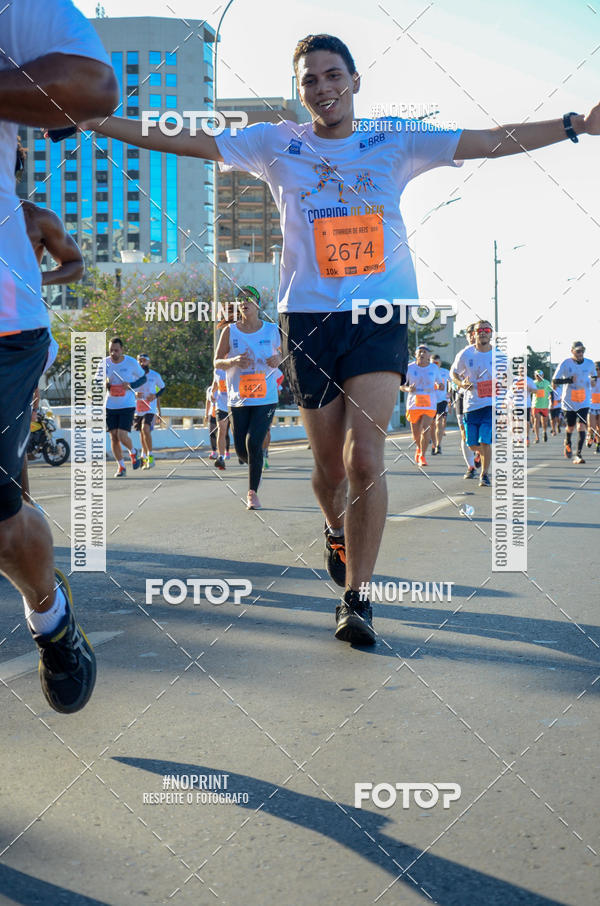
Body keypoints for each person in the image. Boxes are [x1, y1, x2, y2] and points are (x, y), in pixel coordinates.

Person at [84, 32, 600, 645]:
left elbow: (491, 141)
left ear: (355, 81)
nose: (323, 88)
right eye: (310, 81)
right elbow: (180, 139)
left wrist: (576, 124)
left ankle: (358, 598)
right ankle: (334, 530)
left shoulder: (395, 139)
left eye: (334, 76)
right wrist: (96, 121)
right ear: (300, 92)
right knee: (327, 470)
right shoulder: (275, 143)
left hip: (380, 314)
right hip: (307, 318)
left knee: (364, 457)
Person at [0, 0, 118, 713]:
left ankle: (52, 621)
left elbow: (92, 86)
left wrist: (43, 278)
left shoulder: (32, 215)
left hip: (7, 322)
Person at [15, 139, 84, 503]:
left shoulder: (36, 218)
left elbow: (75, 264)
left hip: (24, 334)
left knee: (12, 424)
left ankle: (23, 508)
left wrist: (36, 277)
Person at [214, 286, 281, 508]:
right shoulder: (230, 332)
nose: (244, 302)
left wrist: (278, 358)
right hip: (238, 398)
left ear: (258, 304)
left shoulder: (272, 330)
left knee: (253, 441)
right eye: (240, 299)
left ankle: (252, 493)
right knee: (243, 450)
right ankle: (254, 459)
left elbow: (288, 352)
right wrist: (231, 362)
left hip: (266, 397)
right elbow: (216, 361)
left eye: (249, 298)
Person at [451, 320, 494, 487]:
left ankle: (484, 474)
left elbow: (507, 379)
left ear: (491, 333)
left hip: (490, 404)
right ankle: (482, 455)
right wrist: (462, 384)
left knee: (485, 440)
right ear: (474, 334)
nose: (483, 332)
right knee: (471, 444)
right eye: (479, 330)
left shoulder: (498, 355)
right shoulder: (465, 354)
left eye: (486, 329)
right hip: (471, 405)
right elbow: (453, 374)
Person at [102, 337, 146, 477]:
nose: (113, 353)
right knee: (113, 437)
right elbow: (97, 379)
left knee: (121, 435)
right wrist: (104, 384)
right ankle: (121, 467)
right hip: (110, 405)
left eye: (116, 350)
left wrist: (131, 385)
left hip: (127, 404)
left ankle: (133, 452)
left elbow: (143, 378)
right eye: (111, 351)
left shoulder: (131, 362)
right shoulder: (105, 363)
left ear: (122, 350)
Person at [552, 341, 596, 465]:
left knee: (581, 426)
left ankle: (578, 455)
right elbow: (555, 380)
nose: (580, 353)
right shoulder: (565, 363)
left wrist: (593, 381)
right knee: (570, 427)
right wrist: (569, 380)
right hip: (569, 402)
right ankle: (567, 441)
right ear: (572, 351)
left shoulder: (590, 363)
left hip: (584, 401)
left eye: (582, 351)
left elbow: (594, 375)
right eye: (578, 351)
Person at [400, 346, 442, 467]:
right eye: (420, 352)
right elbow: (401, 386)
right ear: (416, 354)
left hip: (429, 403)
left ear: (429, 355)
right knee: (416, 433)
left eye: (425, 352)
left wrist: (439, 386)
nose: (422, 354)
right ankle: (419, 448)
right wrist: (409, 389)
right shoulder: (409, 367)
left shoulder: (434, 368)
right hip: (413, 403)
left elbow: (440, 384)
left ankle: (422, 455)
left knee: (426, 428)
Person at [133, 353, 165, 469]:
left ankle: (150, 456)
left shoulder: (155, 375)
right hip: (138, 408)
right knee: (142, 433)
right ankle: (144, 455)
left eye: (144, 361)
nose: (142, 363)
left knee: (145, 428)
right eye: (140, 361)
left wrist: (155, 396)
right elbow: (128, 389)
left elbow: (163, 387)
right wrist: (135, 394)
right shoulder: (133, 376)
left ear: (148, 362)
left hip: (150, 408)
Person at [430, 353, 451, 455]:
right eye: (433, 363)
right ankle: (434, 444)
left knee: (439, 422)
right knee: (432, 425)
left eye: (436, 363)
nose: (435, 364)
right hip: (430, 400)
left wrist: (450, 392)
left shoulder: (445, 372)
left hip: (442, 400)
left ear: (440, 363)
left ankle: (438, 445)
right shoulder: (428, 371)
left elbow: (453, 381)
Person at [531, 369, 553, 443]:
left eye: (540, 375)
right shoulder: (533, 383)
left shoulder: (547, 383)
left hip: (544, 405)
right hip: (535, 405)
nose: (539, 377)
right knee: (536, 420)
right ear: (535, 376)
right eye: (537, 375)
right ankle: (537, 437)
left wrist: (552, 402)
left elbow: (551, 392)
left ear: (543, 375)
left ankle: (544, 432)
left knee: (544, 421)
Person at [587, 361, 600, 454]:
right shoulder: (589, 379)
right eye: (596, 369)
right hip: (591, 406)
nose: (598, 371)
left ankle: (598, 445)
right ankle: (591, 436)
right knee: (591, 427)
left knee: (599, 427)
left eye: (599, 369)